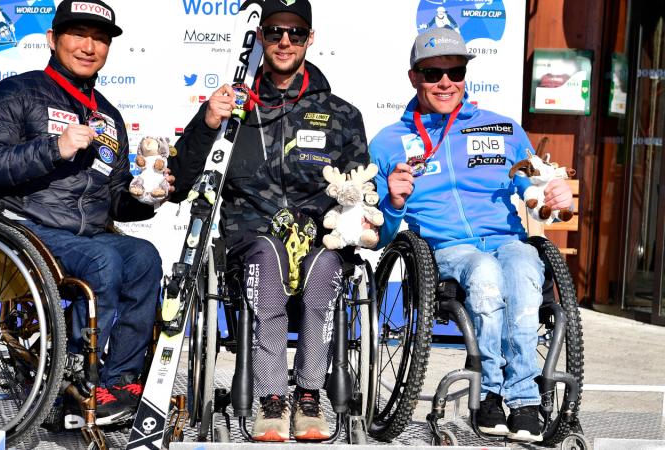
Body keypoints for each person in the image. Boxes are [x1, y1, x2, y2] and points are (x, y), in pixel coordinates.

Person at [0, 0, 172, 426]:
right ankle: (75, 375)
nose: (88, 46)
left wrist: (147, 197)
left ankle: (119, 381)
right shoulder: (17, 92)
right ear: (52, 39)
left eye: (99, 38)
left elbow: (115, 199)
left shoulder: (108, 116)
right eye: (78, 34)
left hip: (88, 233)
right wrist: (52, 148)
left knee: (144, 257)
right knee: (103, 260)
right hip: (26, 224)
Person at [170, 0, 369, 442]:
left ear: (309, 39)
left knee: (323, 270)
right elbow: (181, 182)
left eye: (296, 33)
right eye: (275, 31)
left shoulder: (342, 114)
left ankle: (309, 395)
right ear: (260, 37)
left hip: (320, 239)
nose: (285, 41)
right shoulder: (231, 106)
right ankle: (272, 399)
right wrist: (207, 121)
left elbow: (360, 192)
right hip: (250, 240)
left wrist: (359, 217)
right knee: (266, 256)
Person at [370, 28, 574, 443]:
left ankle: (523, 399)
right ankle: (490, 396)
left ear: (465, 74)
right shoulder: (389, 142)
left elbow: (536, 199)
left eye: (455, 70)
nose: (445, 82)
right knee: (483, 272)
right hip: (446, 250)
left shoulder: (503, 129)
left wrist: (555, 197)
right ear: (414, 77)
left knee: (520, 269)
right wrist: (391, 201)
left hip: (507, 241)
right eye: (432, 73)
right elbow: (381, 234)